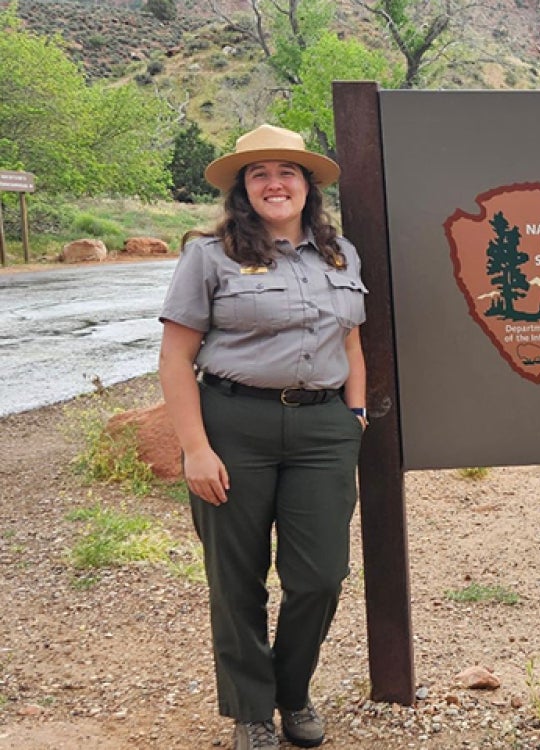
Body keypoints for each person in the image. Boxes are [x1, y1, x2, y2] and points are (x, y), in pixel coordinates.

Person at [158, 123, 368, 750]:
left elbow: (351, 340)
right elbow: (175, 359)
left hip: (322, 431)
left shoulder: (341, 254)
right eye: (259, 174)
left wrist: (353, 416)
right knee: (236, 576)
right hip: (234, 427)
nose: (274, 183)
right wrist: (195, 448)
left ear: (308, 185)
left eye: (286, 172)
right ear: (243, 190)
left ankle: (292, 690)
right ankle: (253, 711)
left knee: (320, 576)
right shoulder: (209, 255)